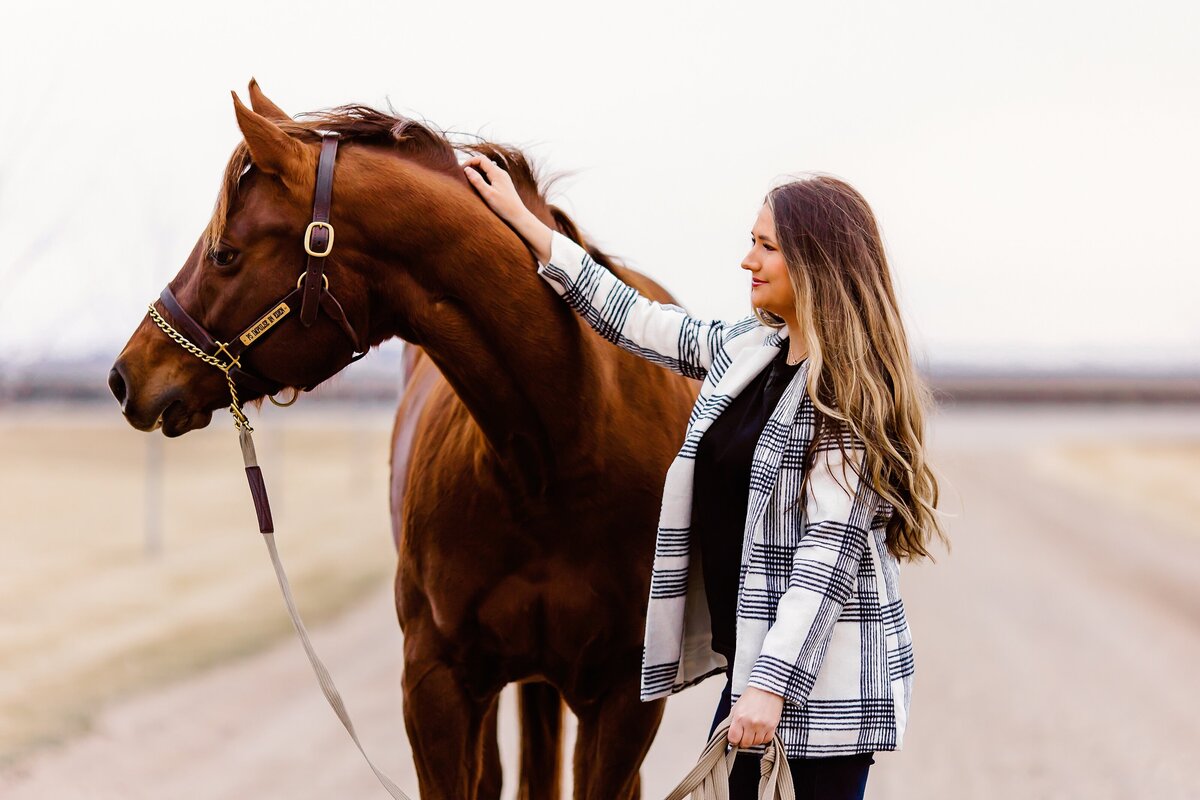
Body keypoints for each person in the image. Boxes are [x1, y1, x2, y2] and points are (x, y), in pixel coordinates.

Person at [463, 156, 946, 800]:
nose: (748, 261)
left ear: (814, 266)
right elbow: (641, 321)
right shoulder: (753, 351)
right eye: (753, 242)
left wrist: (770, 689)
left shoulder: (844, 400)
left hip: (816, 700)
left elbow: (824, 563)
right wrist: (528, 226)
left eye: (766, 247)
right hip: (755, 685)